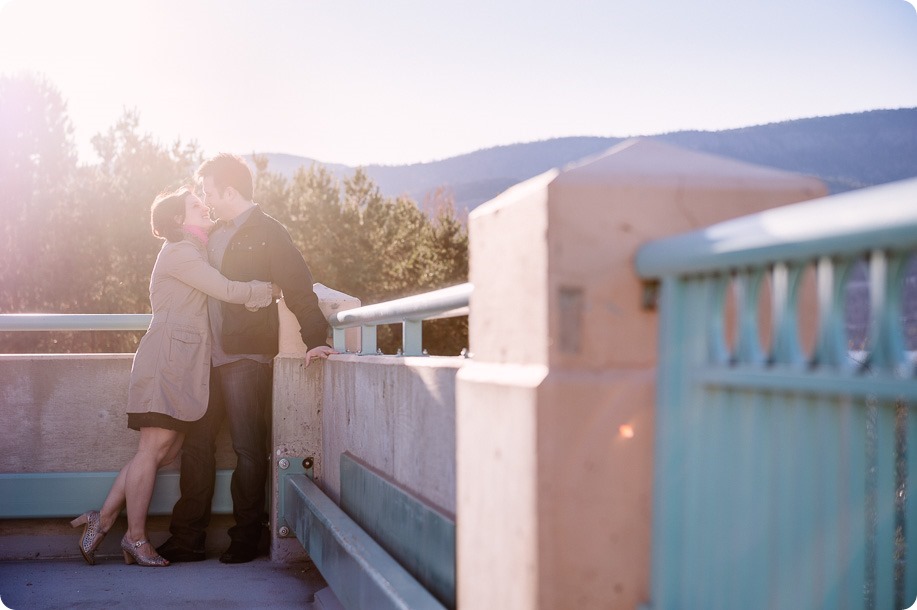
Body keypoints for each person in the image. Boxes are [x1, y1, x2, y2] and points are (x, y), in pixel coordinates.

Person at [70, 186, 275, 567]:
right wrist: (269, 290)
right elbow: (226, 289)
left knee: (164, 450)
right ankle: (135, 539)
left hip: (181, 365)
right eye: (197, 205)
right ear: (179, 219)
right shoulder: (181, 253)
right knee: (152, 451)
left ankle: (103, 518)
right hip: (166, 362)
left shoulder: (194, 249)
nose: (205, 205)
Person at [157, 153, 336, 564]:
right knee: (197, 448)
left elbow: (298, 286)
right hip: (205, 357)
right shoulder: (209, 233)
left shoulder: (270, 232)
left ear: (230, 191)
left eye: (209, 192)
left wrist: (315, 339)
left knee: (248, 450)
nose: (205, 199)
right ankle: (187, 538)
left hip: (247, 357)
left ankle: (246, 538)